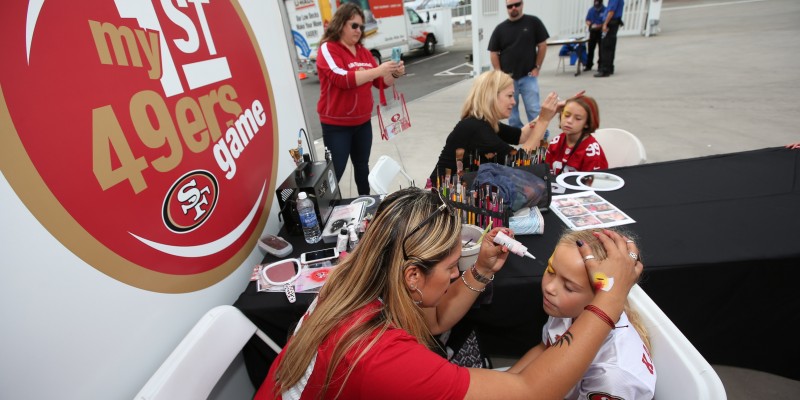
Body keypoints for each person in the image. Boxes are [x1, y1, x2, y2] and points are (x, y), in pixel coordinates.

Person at [255, 187, 644, 399]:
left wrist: (480, 270)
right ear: (411, 276)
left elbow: (435, 319)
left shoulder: (355, 281)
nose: (455, 276)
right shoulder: (377, 355)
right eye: (450, 268)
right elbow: (529, 392)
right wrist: (609, 298)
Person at [509, 228, 656, 399]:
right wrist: (506, 383)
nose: (550, 288)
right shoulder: (566, 310)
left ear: (599, 296)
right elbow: (544, 350)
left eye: (569, 287)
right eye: (550, 271)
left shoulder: (613, 375)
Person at [316, 3, 405, 195]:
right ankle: (324, 211)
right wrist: (378, 70)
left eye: (361, 27)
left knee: (362, 167)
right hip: (336, 126)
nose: (359, 31)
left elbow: (379, 82)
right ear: (340, 24)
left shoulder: (363, 52)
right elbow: (341, 78)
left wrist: (394, 73)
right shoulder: (328, 48)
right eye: (354, 25)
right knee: (336, 171)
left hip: (362, 122)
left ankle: (366, 205)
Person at [428, 70, 557, 186]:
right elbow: (521, 161)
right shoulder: (475, 128)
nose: (514, 102)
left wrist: (549, 112)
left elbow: (521, 135)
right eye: (510, 96)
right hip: (441, 202)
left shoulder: (482, 122)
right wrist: (544, 120)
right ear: (491, 96)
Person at [488, 0, 550, 133]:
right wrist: (499, 74)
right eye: (510, 6)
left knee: (533, 109)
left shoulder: (533, 22)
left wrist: (537, 67)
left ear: (522, 4)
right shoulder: (500, 29)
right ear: (506, 8)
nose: (513, 8)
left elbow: (542, 45)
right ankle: (517, 135)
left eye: (517, 4)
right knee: (511, 111)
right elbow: (493, 52)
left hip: (528, 76)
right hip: (508, 80)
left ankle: (541, 135)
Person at [545, 94, 609, 176]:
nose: (569, 121)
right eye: (567, 115)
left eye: (578, 118)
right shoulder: (556, 141)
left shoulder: (591, 152)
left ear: (587, 123)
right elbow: (545, 171)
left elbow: (592, 184)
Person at [595, 0, 624, 78]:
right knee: (611, 46)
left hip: (611, 23)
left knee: (606, 47)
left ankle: (605, 70)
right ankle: (610, 67)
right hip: (614, 23)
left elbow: (611, 11)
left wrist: (605, 23)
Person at [585, 0, 606, 72]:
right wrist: (590, 24)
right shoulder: (591, 10)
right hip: (592, 32)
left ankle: (600, 65)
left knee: (601, 50)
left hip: (600, 32)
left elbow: (605, 21)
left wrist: (600, 26)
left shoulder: (605, 10)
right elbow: (587, 20)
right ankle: (589, 65)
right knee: (590, 49)